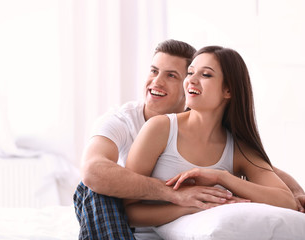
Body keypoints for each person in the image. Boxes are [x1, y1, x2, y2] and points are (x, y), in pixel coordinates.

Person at [73, 40, 305, 239]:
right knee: (95, 187)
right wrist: (178, 199)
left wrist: (222, 177)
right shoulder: (145, 124)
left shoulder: (235, 145)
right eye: (153, 71)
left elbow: (270, 177)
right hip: (120, 214)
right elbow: (100, 178)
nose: (157, 82)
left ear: (228, 90)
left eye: (173, 75)